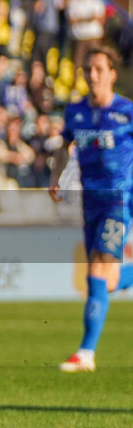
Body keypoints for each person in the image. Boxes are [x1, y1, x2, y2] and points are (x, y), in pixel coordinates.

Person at [48, 47, 133, 372]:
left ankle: (86, 353)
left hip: (119, 199)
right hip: (91, 200)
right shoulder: (76, 111)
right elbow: (64, 146)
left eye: (98, 69)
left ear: (112, 73)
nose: (91, 75)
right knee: (103, 280)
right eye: (87, 69)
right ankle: (85, 352)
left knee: (97, 270)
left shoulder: (126, 111)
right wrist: (56, 175)